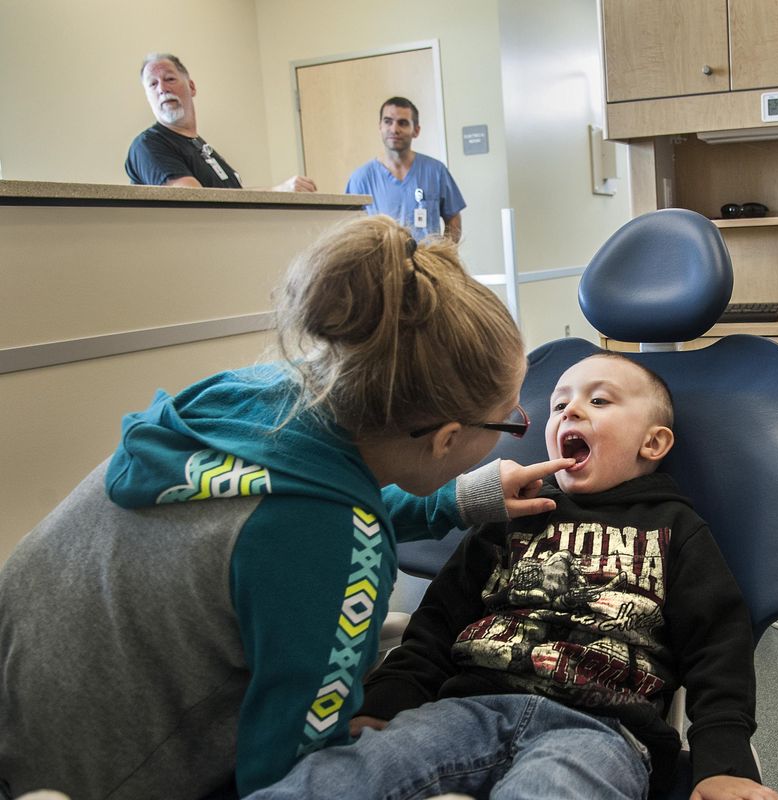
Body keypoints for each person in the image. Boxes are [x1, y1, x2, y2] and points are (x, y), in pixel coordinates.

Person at [0, 215, 573, 799]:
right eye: (510, 418)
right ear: (446, 438)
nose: (523, 427)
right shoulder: (335, 549)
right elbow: (285, 775)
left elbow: (309, 499)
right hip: (92, 778)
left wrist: (456, 499)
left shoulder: (261, 396)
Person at [248, 353, 778, 800]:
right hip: (463, 708)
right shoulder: (513, 517)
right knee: (335, 777)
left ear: (654, 443)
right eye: (559, 403)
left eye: (599, 400)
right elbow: (437, 621)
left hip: (599, 729)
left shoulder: (677, 530)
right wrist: (385, 702)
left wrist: (723, 763)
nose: (570, 407)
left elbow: (718, 650)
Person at [126, 52, 317, 192]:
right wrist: (278, 191)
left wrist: (281, 193)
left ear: (191, 87)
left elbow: (234, 198)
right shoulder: (149, 145)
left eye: (169, 79)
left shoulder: (200, 146)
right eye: (153, 84)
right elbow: (196, 201)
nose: (162, 88)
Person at [345, 97, 466, 242]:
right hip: (383, 264)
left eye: (402, 123)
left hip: (426, 263)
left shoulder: (435, 171)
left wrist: (444, 256)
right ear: (380, 127)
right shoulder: (361, 179)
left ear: (416, 130)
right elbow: (350, 231)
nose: (394, 129)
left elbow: (453, 219)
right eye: (388, 121)